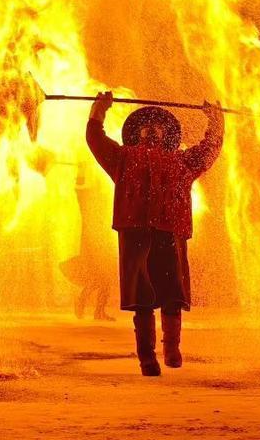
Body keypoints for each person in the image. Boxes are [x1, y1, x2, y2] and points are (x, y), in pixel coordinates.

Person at [86, 91, 224, 377]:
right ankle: (146, 358)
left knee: (172, 293)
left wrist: (215, 122)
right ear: (136, 133)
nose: (152, 129)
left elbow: (209, 150)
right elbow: (95, 140)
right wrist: (98, 111)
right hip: (134, 229)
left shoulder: (181, 161)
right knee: (141, 298)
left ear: (165, 134)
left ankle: (172, 348)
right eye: (146, 125)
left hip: (170, 230)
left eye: (157, 126)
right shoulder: (122, 158)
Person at [61, 169, 116, 321]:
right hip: (93, 245)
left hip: (99, 243)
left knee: (101, 278)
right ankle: (93, 308)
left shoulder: (97, 203)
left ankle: (89, 306)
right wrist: (82, 169)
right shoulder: (87, 203)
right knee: (102, 278)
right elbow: (80, 192)